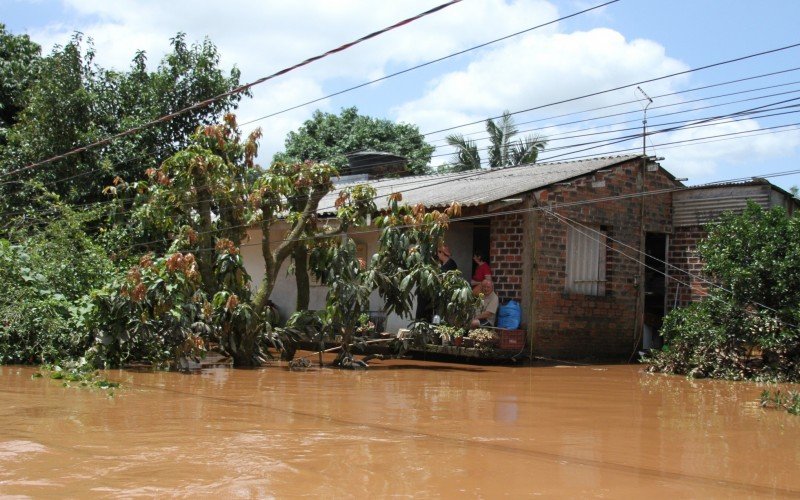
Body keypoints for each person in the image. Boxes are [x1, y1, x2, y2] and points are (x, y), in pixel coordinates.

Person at [415, 244, 458, 322]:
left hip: (442, 293)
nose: (437, 255)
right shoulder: (442, 264)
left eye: (438, 253)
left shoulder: (451, 264)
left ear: (441, 253)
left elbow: (445, 279)